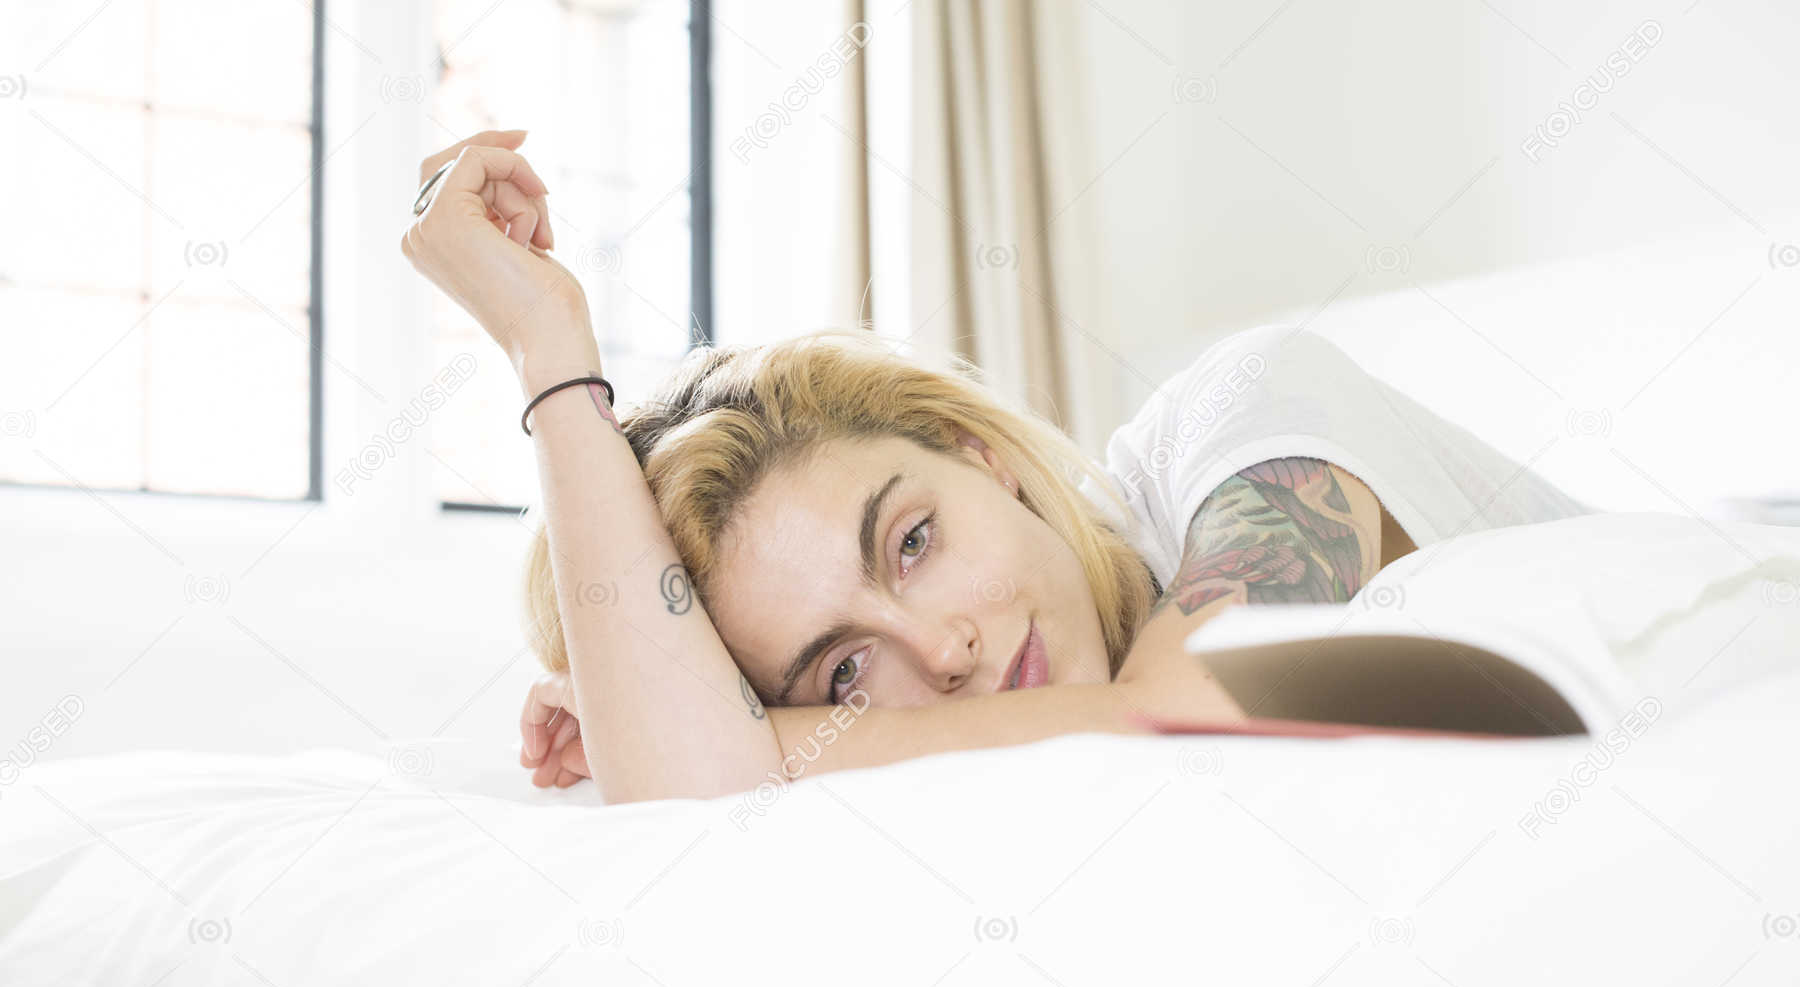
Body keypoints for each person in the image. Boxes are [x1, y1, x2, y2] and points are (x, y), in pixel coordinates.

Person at [400, 131, 1586, 801]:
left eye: (912, 542)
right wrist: (546, 348)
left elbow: (1174, 723)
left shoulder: (1247, 414)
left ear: (981, 457)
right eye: (845, 672)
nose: (947, 653)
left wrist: (737, 736)